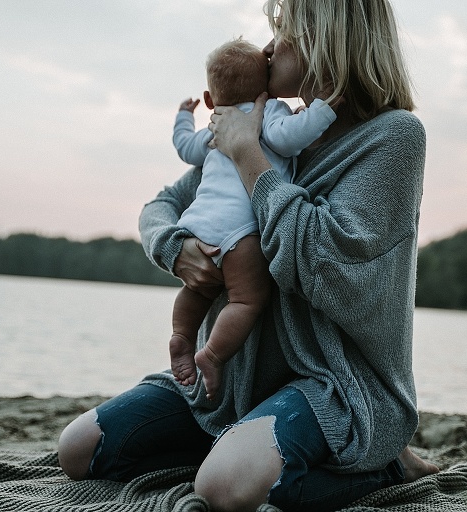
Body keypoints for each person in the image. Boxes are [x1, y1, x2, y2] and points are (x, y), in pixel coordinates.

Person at [57, 0, 439, 510]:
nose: (267, 46)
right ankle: (245, 443)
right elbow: (162, 205)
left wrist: (248, 156)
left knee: (224, 489)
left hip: (335, 384)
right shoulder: (261, 124)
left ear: (325, 39)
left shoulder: (393, 138)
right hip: (237, 377)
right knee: (79, 450)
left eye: (283, 31)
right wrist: (175, 247)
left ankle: (385, 463)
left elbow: (321, 263)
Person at [169, 38, 336, 400]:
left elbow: (184, 146)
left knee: (196, 288)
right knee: (245, 300)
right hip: (241, 230)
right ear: (265, 88)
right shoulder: (268, 111)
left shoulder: (216, 124)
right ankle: (211, 355)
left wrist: (185, 115)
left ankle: (181, 336)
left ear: (210, 100)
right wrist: (322, 108)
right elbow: (289, 139)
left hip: (199, 223)